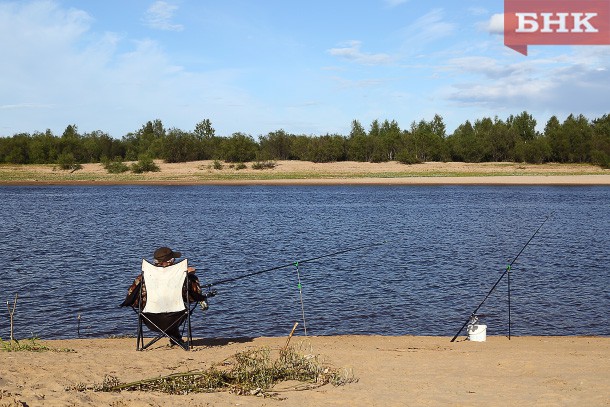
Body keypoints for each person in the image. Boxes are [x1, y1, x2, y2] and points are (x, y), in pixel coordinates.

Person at [121, 247, 208, 347]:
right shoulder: (181, 277)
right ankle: (176, 339)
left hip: (150, 319)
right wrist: (191, 277)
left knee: (165, 305)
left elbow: (132, 299)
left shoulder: (143, 278)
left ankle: (175, 339)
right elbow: (194, 297)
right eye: (173, 260)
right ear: (169, 261)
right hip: (176, 317)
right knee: (173, 306)